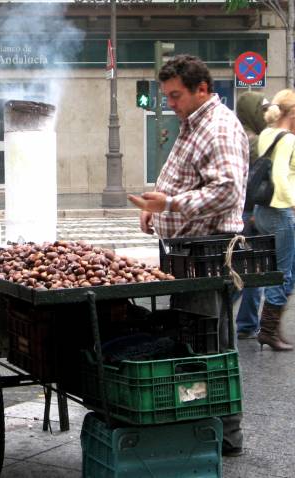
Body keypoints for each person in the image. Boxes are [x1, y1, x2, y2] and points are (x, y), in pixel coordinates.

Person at [128, 54, 248, 457]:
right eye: (167, 96)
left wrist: (171, 205)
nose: (171, 103)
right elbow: (182, 183)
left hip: (208, 252)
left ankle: (225, 436)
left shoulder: (217, 127)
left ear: (202, 89)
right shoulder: (191, 125)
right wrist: (155, 208)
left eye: (176, 96)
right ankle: (203, 427)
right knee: (195, 340)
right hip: (186, 252)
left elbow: (228, 191)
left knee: (210, 343)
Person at [253, 89, 295, 352]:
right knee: (284, 274)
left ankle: (270, 328)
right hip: (280, 210)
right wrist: (292, 202)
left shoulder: (266, 134)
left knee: (280, 271)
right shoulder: (288, 138)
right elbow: (280, 175)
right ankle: (268, 331)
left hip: (262, 210)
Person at [234, 92, 269, 339]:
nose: (265, 116)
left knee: (243, 269)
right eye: (262, 111)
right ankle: (246, 324)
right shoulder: (254, 141)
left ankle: (245, 322)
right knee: (253, 270)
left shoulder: (236, 135)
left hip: (241, 211)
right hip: (250, 211)